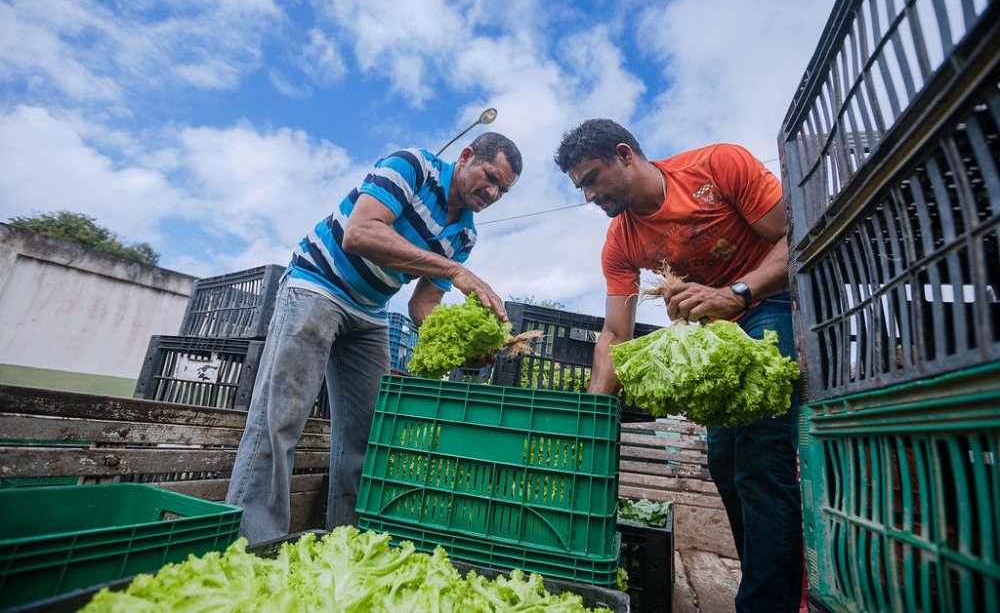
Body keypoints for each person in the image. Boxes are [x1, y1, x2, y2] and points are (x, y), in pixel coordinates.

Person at [226, 131, 522, 544]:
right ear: (467, 156)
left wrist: (466, 349)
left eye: (502, 190)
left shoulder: (464, 236)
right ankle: (251, 544)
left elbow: (423, 307)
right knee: (281, 418)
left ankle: (345, 544)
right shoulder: (413, 167)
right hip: (318, 285)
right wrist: (453, 271)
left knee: (367, 438)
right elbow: (360, 233)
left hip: (371, 312)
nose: (491, 192)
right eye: (490, 177)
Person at [554, 119, 801, 612]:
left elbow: (796, 236)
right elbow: (615, 334)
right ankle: (772, 587)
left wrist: (737, 292)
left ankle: (765, 604)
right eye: (579, 185)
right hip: (717, 334)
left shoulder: (717, 167)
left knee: (760, 459)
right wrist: (591, 418)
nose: (586, 196)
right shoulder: (621, 241)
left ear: (625, 154)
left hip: (773, 303)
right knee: (725, 464)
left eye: (591, 178)